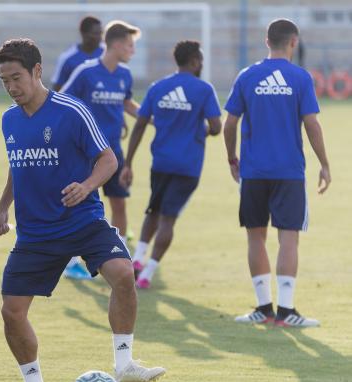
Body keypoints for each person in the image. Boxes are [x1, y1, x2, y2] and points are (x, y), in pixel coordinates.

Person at [0, 38, 165, 382]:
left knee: (122, 273)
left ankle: (124, 364)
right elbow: (17, 164)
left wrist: (86, 186)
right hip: (35, 233)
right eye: (4, 81)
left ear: (37, 71)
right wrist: (3, 208)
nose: (11, 87)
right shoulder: (9, 119)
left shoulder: (71, 111)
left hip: (81, 220)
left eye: (16, 77)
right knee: (11, 312)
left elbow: (107, 159)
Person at [224, 19, 331, 327]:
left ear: (266, 41)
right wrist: (324, 162)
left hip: (254, 172)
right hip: (289, 173)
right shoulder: (300, 77)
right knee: (289, 239)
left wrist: (232, 157)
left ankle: (263, 308)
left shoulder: (247, 76)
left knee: (255, 237)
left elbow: (230, 124)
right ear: (293, 43)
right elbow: (312, 124)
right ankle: (286, 311)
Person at [120, 40, 221, 289]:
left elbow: (140, 125)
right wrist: (202, 130)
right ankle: (147, 274)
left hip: (161, 163)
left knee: (153, 211)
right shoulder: (203, 90)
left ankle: (137, 259)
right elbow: (217, 127)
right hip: (188, 165)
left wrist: (129, 163)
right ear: (195, 61)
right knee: (168, 220)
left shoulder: (158, 88)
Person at [59, 20, 143, 280]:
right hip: (85, 154)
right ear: (116, 45)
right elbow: (63, 100)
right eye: (130, 45)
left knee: (119, 203)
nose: (133, 50)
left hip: (114, 153)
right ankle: (71, 260)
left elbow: (126, 103)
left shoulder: (124, 74)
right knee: (80, 203)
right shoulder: (86, 72)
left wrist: (151, 117)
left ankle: (117, 255)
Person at [51, 16, 104, 91]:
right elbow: (57, 88)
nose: (100, 37)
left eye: (101, 33)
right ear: (83, 34)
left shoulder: (106, 54)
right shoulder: (67, 58)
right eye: (95, 33)